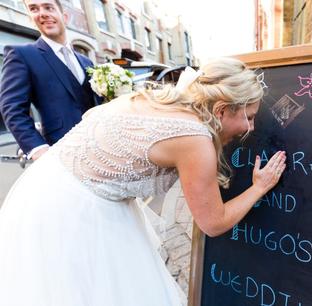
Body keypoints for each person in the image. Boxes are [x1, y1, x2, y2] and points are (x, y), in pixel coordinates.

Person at [0, 57, 287, 306]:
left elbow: (91, 115)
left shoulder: (150, 100)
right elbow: (213, 222)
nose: (250, 127)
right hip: (73, 210)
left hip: (45, 183)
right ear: (222, 109)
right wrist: (259, 187)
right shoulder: (195, 138)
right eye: (248, 117)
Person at [0, 0, 99, 161]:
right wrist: (37, 149)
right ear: (31, 18)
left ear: (64, 16)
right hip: (60, 153)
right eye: (34, 9)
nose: (42, 13)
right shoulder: (22, 55)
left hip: (99, 148)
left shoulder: (86, 61)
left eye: (48, 7)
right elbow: (12, 108)